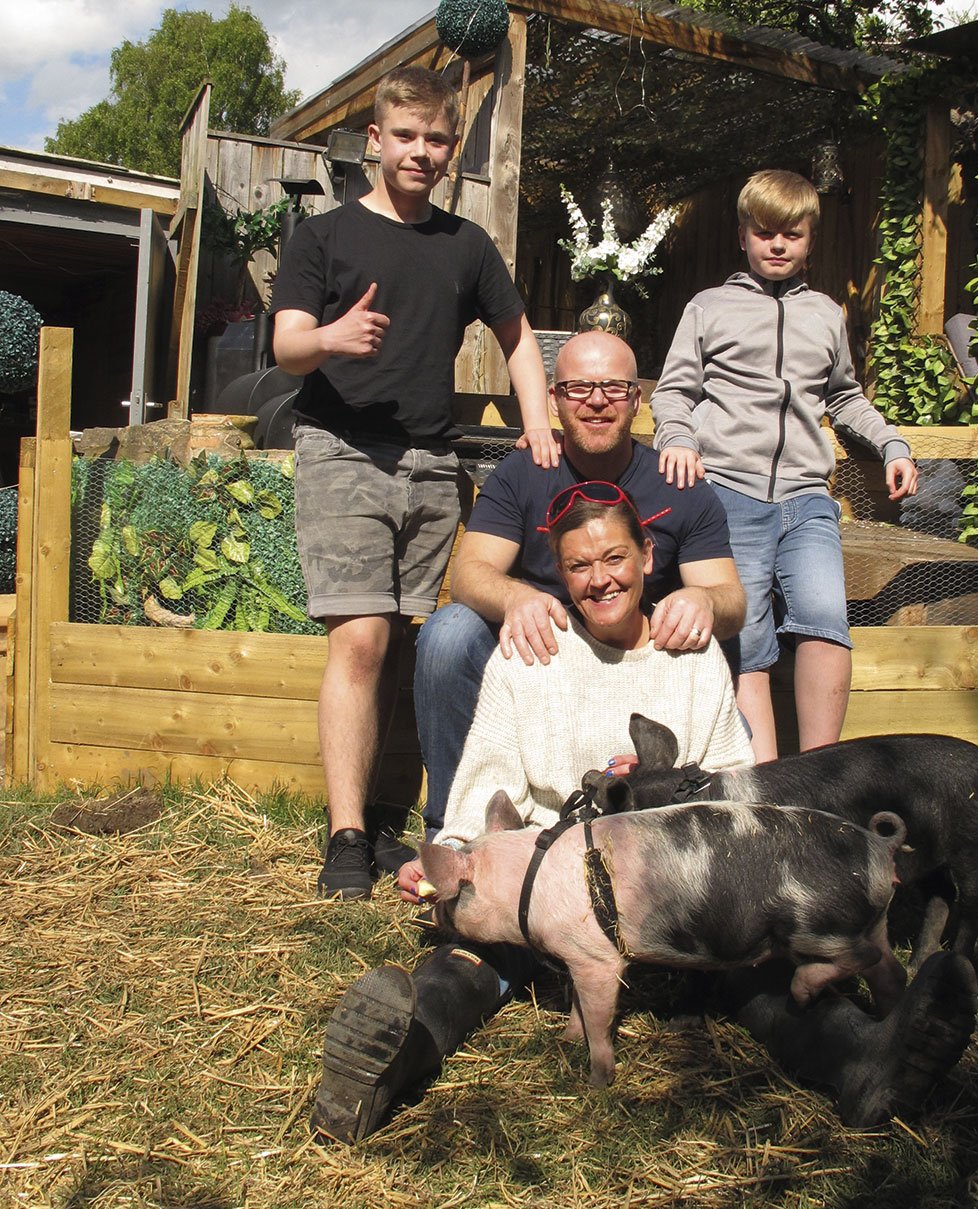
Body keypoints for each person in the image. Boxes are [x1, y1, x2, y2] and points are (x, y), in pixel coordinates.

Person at [311, 485, 755, 1143]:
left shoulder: (691, 654)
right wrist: (450, 862)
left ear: (647, 554)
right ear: (560, 573)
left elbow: (736, 794)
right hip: (543, 903)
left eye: (614, 558)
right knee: (465, 959)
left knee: (766, 974)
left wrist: (661, 786)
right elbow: (486, 779)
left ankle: (862, 1055)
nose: (599, 579)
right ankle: (390, 1059)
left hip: (663, 900)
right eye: (579, 565)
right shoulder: (532, 650)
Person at [271, 65, 558, 900]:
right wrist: (332, 337)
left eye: (436, 139)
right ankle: (345, 839)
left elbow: (517, 335)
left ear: (452, 147)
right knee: (361, 640)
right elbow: (286, 346)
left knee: (401, 640)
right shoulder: (323, 237)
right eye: (405, 135)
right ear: (375, 139)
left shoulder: (465, 245)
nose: (420, 151)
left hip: (432, 464)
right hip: (343, 451)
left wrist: (538, 421)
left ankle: (380, 814)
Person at [412, 329, 746, 844]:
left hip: (647, 665)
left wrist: (702, 599)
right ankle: (455, 832)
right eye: (578, 388)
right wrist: (517, 596)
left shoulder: (678, 483)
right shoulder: (524, 472)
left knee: (732, 718)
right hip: (544, 661)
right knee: (449, 634)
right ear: (554, 399)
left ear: (636, 400)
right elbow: (469, 573)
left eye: (613, 387)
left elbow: (732, 600)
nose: (596, 400)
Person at [651, 169, 920, 761]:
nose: (777, 245)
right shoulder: (709, 307)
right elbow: (673, 392)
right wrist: (678, 438)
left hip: (807, 498)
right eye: (764, 233)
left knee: (826, 620)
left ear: (810, 241)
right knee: (744, 634)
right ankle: (767, 783)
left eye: (791, 235)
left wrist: (892, 444)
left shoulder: (825, 314)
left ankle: (824, 775)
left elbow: (844, 396)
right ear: (742, 236)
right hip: (729, 493)